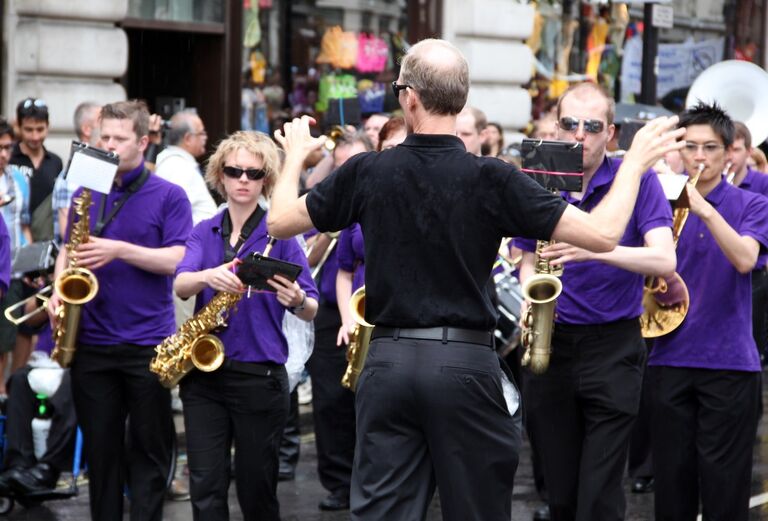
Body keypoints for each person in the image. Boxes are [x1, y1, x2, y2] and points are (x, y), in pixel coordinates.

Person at [267, 38, 684, 521]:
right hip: (464, 362)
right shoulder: (492, 178)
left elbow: (278, 222)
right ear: (459, 101)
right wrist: (633, 163)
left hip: (390, 360)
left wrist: (295, 155)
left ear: (409, 99)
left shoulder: (368, 171)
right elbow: (605, 233)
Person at [517, 82, 676, 521]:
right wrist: (530, 295)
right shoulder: (541, 173)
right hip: (555, 342)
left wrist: (596, 248)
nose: (579, 135)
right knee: (561, 496)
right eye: (570, 124)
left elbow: (664, 258)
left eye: (592, 126)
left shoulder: (636, 179)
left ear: (610, 133)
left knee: (600, 498)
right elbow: (525, 256)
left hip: (614, 348)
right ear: (555, 126)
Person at [46, 100, 192, 521]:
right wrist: (59, 289)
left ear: (143, 142)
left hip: (147, 344)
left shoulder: (170, 195)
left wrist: (120, 251)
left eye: (118, 139)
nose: (108, 145)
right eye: (102, 137)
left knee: (148, 454)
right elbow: (70, 248)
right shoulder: (86, 189)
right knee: (102, 456)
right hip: (91, 342)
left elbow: (179, 259)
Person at [174, 130, 318, 521]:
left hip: (260, 376)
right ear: (219, 175)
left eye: (253, 174)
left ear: (266, 180)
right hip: (204, 379)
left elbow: (312, 308)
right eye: (234, 170)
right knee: (205, 488)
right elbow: (181, 283)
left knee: (257, 491)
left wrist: (298, 300)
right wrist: (209, 275)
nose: (242, 179)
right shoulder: (204, 230)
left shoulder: (281, 233)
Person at [648, 103, 768, 521]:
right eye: (691, 147)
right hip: (668, 356)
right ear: (679, 151)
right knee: (672, 485)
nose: (700, 157)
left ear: (728, 151)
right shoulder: (659, 200)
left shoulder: (751, 204)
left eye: (710, 148)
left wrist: (704, 209)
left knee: (725, 488)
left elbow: (744, 260)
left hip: (730, 362)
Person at [306, 129, 373, 511]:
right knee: (330, 399)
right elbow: (309, 261)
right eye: (342, 165)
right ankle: (338, 482)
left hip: (372, 311)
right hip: (334, 310)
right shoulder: (325, 202)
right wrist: (326, 233)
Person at [727, 122, 768, 360]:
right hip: (719, 270)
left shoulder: (762, 184)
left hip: (753, 274)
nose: (730, 156)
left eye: (736, 149)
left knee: (749, 344)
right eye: (726, 149)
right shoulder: (712, 183)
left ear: (749, 152)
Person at [0, 119, 32, 392]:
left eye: (8, 148)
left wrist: (33, 263)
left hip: (13, 270)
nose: (3, 154)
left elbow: (23, 225)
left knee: (9, 339)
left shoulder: (18, 178)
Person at [154, 109, 217, 226]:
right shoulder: (179, 168)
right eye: (201, 133)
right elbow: (174, 214)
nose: (205, 137)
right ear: (187, 138)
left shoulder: (173, 162)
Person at [51, 102, 101, 244]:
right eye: (102, 121)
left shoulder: (99, 170)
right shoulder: (74, 174)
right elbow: (67, 231)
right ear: (87, 129)